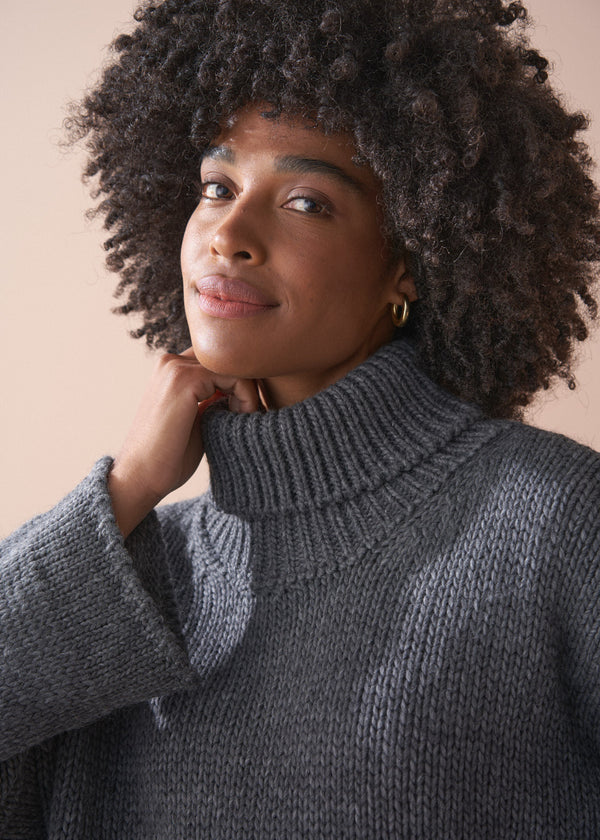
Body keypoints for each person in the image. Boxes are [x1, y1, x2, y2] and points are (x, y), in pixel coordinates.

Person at [1, 0, 599, 836]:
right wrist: (126, 489)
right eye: (217, 188)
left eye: (307, 202)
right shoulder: (124, 571)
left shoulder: (558, 520)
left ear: (409, 260)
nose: (229, 234)